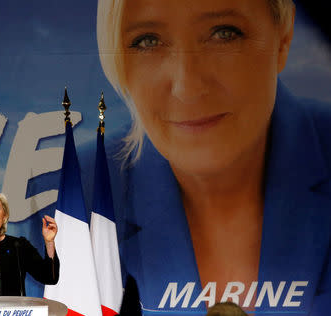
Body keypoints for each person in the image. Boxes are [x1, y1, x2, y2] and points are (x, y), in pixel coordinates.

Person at [94, 0, 331, 314]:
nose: (187, 87)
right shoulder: (84, 193)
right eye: (148, 41)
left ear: (283, 36)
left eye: (224, 33)